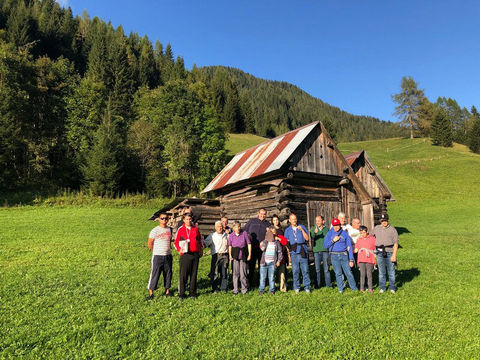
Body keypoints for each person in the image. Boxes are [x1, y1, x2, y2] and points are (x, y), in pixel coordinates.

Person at [324, 218, 358, 293]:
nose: (336, 227)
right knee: (338, 273)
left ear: (340, 225)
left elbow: (349, 246)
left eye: (337, 225)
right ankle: (341, 289)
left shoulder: (344, 233)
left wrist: (351, 259)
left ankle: (354, 288)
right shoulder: (329, 233)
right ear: (332, 226)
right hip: (334, 255)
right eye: (334, 225)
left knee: (348, 272)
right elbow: (325, 245)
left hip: (344, 254)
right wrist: (333, 240)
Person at [174, 213, 203, 300]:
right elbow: (176, 242)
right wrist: (179, 249)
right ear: (184, 220)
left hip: (195, 254)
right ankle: (182, 294)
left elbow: (200, 240)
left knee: (194, 274)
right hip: (185, 255)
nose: (188, 221)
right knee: (183, 274)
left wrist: (201, 250)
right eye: (187, 219)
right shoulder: (181, 229)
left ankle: (192, 292)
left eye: (190, 219)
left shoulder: (195, 229)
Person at [147, 212, 173, 299]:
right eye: (162, 218)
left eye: (166, 218)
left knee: (168, 273)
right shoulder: (155, 230)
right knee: (155, 273)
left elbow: (169, 241)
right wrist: (156, 251)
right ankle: (151, 293)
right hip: (157, 256)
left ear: (168, 220)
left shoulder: (170, 229)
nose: (164, 220)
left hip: (168, 255)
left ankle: (167, 291)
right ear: (159, 219)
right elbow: (150, 243)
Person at [372, 214, 399, 294]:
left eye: (385, 220)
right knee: (381, 271)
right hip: (379, 252)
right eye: (382, 220)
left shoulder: (392, 230)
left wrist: (394, 255)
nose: (384, 222)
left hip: (389, 251)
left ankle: (392, 287)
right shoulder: (376, 228)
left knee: (391, 271)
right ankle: (382, 287)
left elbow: (396, 243)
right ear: (380, 221)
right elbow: (370, 236)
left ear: (388, 220)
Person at [284, 213, 311, 293]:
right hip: (294, 252)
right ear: (289, 220)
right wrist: (289, 255)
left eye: (295, 219)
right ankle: (297, 287)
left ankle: (307, 287)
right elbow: (287, 244)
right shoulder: (287, 230)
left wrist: (302, 230)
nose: (294, 220)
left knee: (305, 270)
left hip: (302, 251)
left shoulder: (302, 227)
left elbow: (307, 239)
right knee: (295, 271)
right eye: (292, 219)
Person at [244, 209, 271, 287]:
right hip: (251, 247)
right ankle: (249, 284)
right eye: (261, 214)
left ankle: (260, 283)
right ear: (258, 213)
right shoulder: (252, 221)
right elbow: (245, 231)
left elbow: (270, 236)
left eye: (264, 214)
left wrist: (269, 232)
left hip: (262, 249)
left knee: (261, 266)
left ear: (266, 215)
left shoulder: (268, 224)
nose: (262, 215)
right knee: (250, 266)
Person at [203, 221, 229, 293]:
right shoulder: (212, 236)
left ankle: (223, 288)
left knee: (224, 273)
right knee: (215, 273)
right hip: (216, 256)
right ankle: (214, 288)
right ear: (215, 228)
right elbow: (205, 243)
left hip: (225, 255)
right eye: (218, 226)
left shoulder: (226, 235)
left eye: (221, 226)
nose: (220, 228)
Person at [228, 221, 252, 294]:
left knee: (243, 273)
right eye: (236, 227)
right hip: (235, 254)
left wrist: (249, 254)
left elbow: (249, 244)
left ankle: (244, 289)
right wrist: (230, 255)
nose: (238, 228)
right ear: (233, 228)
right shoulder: (231, 235)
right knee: (235, 273)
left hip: (243, 254)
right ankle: (235, 289)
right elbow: (230, 246)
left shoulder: (244, 233)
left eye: (239, 226)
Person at [258, 228, 283, 294]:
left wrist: (279, 261)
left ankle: (272, 290)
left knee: (271, 277)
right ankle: (261, 290)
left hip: (272, 262)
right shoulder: (264, 242)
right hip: (264, 262)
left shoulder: (276, 242)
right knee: (262, 277)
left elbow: (280, 252)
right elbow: (262, 249)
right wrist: (266, 241)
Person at [310, 215, 331, 289]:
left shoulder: (327, 229)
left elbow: (329, 238)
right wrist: (315, 233)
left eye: (319, 220)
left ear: (323, 221)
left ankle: (328, 286)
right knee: (317, 269)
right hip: (317, 251)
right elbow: (312, 236)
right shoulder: (313, 228)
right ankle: (317, 286)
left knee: (326, 269)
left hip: (325, 251)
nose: (317, 222)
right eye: (316, 221)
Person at [354, 225, 376, 293]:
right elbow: (356, 250)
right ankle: (362, 288)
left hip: (369, 259)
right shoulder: (359, 240)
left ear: (367, 232)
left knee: (369, 274)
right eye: (361, 233)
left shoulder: (372, 239)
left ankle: (370, 288)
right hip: (361, 260)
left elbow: (376, 247)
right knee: (362, 274)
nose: (363, 234)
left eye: (364, 232)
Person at [272, 226, 290, 292]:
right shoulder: (268, 237)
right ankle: (272, 288)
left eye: (274, 232)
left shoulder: (280, 236)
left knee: (282, 275)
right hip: (272, 260)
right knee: (272, 275)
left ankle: (283, 288)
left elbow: (285, 242)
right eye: (272, 232)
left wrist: (279, 239)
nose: (274, 233)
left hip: (281, 259)